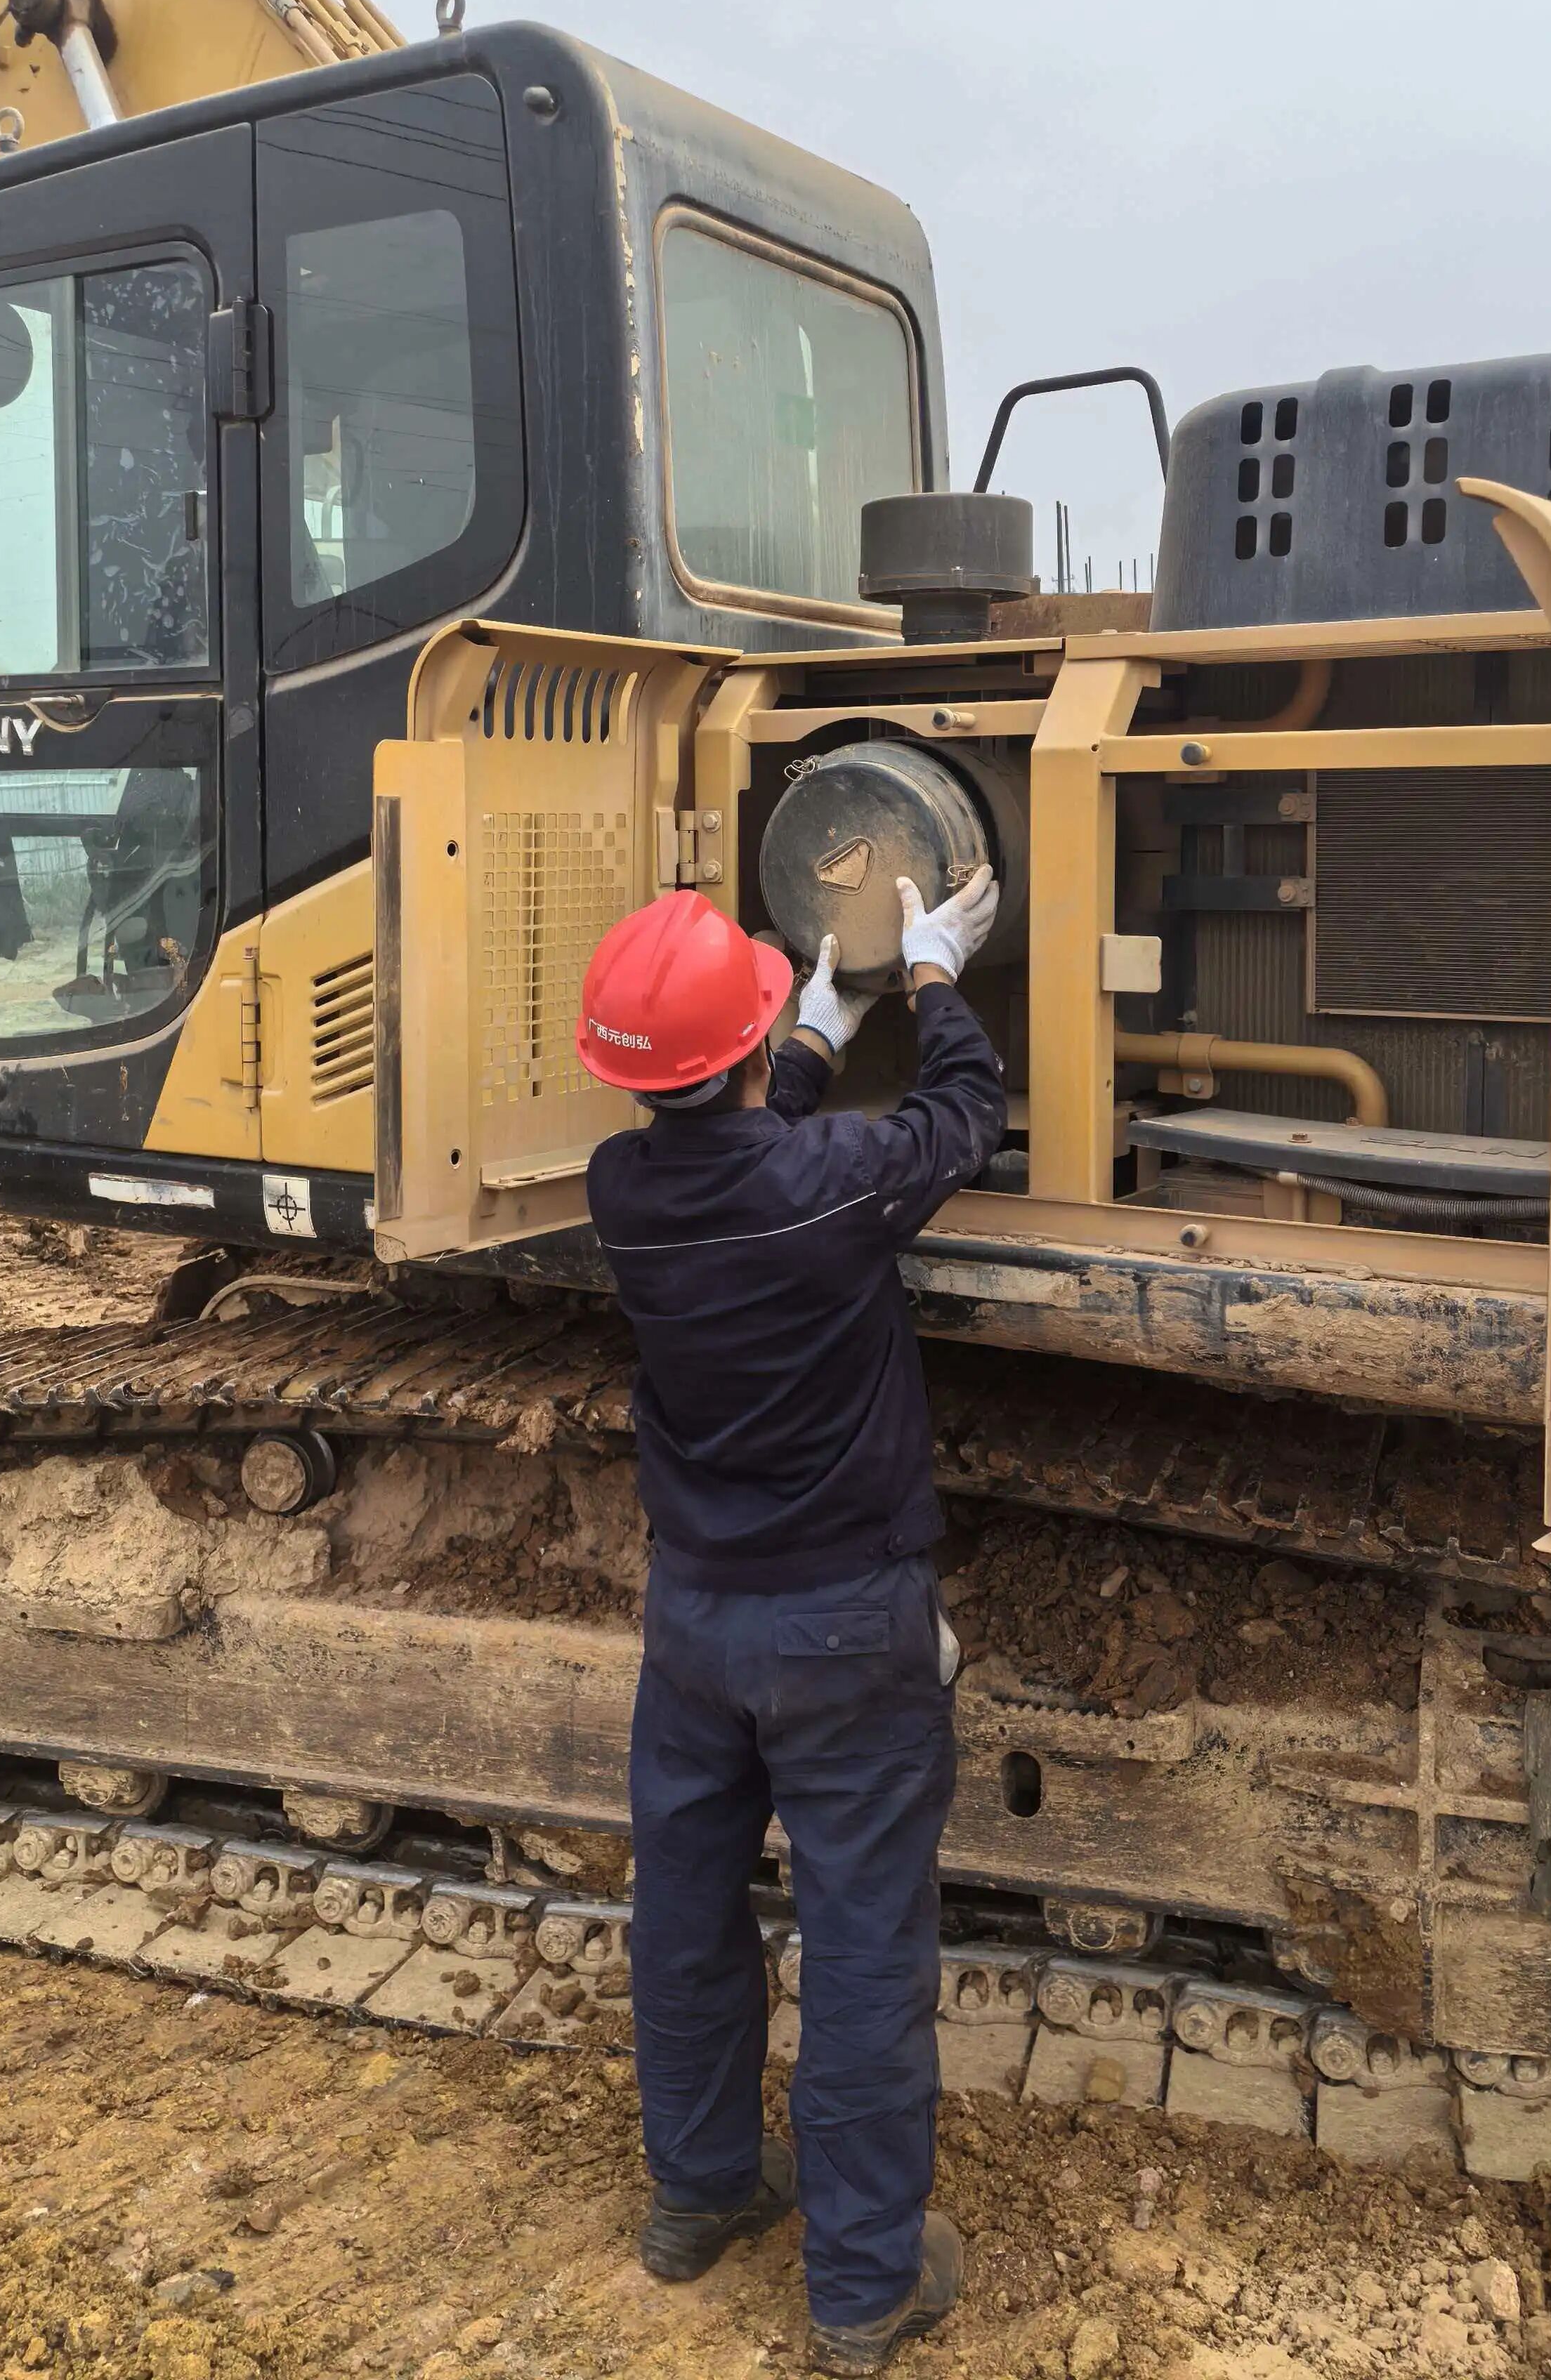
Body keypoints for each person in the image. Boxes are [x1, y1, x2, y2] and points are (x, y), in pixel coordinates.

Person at [575, 865, 1007, 2376]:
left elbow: (736, 1150)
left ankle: (698, 2196)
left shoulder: (622, 1191)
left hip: (696, 1626)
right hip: (843, 1629)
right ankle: (864, 2287)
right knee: (865, 1945)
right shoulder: (834, 1187)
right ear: (749, 1051)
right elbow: (961, 1117)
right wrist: (934, 972)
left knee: (688, 1916)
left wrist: (809, 1038)